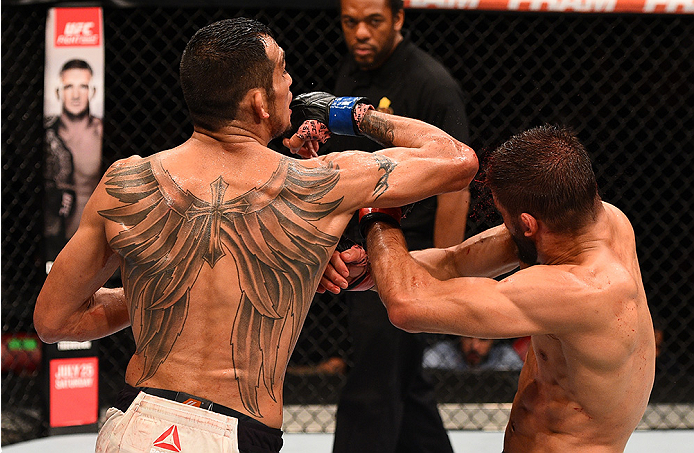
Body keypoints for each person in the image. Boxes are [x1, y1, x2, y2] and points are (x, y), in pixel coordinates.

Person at [33, 17, 478, 453]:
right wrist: (350, 113)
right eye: (282, 69)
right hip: (234, 433)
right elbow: (456, 159)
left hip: (134, 423)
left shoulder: (126, 181)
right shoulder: (319, 184)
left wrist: (166, 287)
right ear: (259, 103)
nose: (291, 82)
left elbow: (54, 321)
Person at [327, 124, 656, 452]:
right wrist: (369, 271)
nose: (503, 224)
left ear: (528, 225)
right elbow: (453, 263)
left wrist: (378, 216)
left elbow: (408, 305)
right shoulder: (598, 220)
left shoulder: (581, 290)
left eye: (504, 216)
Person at [326, 1, 471, 451]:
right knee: (402, 384)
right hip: (365, 245)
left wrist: (446, 270)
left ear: (399, 19)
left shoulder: (431, 83)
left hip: (412, 256)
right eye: (351, 23)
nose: (361, 33)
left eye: (373, 22)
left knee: (372, 383)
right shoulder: (350, 73)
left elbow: (457, 183)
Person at [44, 59, 103, 260]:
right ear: (59, 92)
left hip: (93, 242)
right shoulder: (46, 134)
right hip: (52, 238)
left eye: (83, 86)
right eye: (69, 86)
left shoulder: (102, 134)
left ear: (92, 91)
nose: (76, 95)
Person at [422, 336, 524, 371]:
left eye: (483, 339)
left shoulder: (503, 355)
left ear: (493, 341)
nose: (474, 346)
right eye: (468, 338)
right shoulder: (443, 352)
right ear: (460, 337)